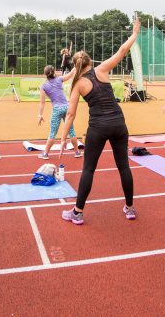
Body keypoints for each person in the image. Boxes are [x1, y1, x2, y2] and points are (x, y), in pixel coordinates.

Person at [59, 18, 141, 225]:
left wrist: (63, 140)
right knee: (124, 166)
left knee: (88, 169)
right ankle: (130, 208)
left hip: (98, 127)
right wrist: (134, 33)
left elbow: (70, 115)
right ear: (89, 61)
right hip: (119, 124)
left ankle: (78, 212)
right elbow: (122, 51)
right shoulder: (102, 69)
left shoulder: (77, 84)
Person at [37, 66, 80, 160]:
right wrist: (76, 65)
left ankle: (45, 154)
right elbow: (70, 74)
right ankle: (77, 152)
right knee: (71, 130)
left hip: (57, 109)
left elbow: (42, 103)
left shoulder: (44, 86)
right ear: (54, 72)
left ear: (45, 74)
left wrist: (40, 115)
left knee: (53, 133)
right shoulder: (59, 79)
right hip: (66, 108)